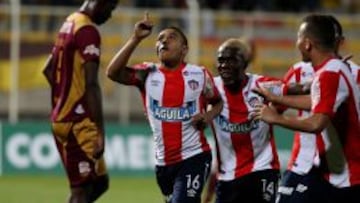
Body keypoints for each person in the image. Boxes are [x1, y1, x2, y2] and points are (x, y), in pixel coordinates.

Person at [106, 13, 223, 203]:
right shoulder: (147, 73)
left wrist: (208, 116)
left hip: (195, 156)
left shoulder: (200, 75)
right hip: (163, 163)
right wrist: (136, 38)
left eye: (171, 37)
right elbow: (112, 72)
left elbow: (217, 102)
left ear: (184, 49)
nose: (164, 41)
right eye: (160, 38)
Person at [253, 14, 360, 203]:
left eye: (299, 38)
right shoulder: (332, 69)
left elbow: (317, 122)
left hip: (347, 175)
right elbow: (315, 101)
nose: (296, 43)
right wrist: (277, 98)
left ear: (307, 44)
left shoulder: (330, 73)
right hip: (328, 171)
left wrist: (276, 119)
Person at [42, 0, 118, 202]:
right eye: (110, 8)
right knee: (81, 190)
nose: (110, 15)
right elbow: (91, 84)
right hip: (78, 122)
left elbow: (48, 70)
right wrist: (100, 131)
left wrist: (64, 99)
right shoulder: (87, 31)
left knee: (100, 182)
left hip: (62, 116)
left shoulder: (70, 22)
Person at [209, 38, 281, 203]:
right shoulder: (209, 88)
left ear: (245, 63)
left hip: (262, 169)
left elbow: (298, 88)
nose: (225, 66)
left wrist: (326, 75)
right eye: (221, 61)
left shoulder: (262, 85)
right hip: (227, 177)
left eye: (232, 60)